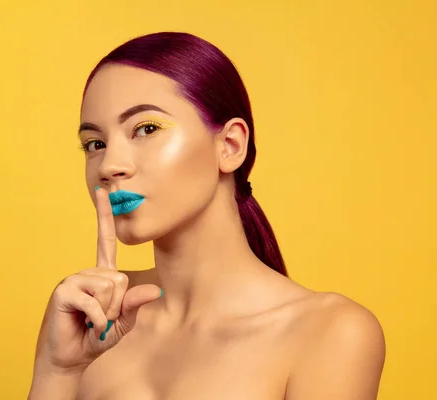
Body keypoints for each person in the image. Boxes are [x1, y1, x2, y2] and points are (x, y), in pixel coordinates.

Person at [28, 32, 386, 400]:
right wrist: (59, 371)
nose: (110, 165)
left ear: (230, 146)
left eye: (146, 129)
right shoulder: (87, 315)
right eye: (95, 144)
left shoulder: (329, 333)